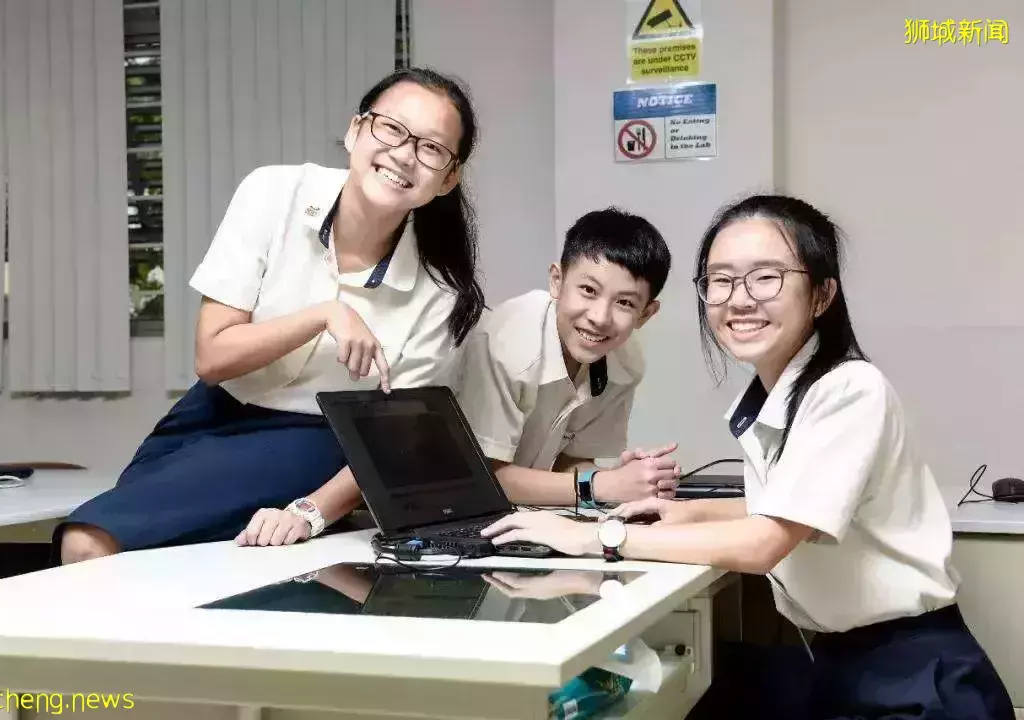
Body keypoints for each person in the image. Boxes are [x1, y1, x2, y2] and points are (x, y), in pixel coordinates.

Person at [480, 195, 1015, 719]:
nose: (739, 300)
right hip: (844, 662)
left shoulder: (849, 389)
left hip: (915, 680)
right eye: (722, 280)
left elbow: (765, 542)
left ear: (822, 294)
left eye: (766, 277)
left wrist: (598, 536)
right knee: (711, 683)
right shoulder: (781, 395)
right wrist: (687, 512)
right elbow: (786, 508)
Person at [56, 67, 485, 563]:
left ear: (448, 178)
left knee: (90, 541)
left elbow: (394, 439)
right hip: (210, 410)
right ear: (355, 131)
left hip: (316, 441)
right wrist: (324, 314)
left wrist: (311, 512)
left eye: (431, 148)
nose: (404, 154)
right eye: (391, 128)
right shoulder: (274, 192)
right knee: (127, 559)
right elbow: (212, 359)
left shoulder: (441, 293)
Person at [454, 207, 681, 508]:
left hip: (522, 514)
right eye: (588, 290)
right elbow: (483, 478)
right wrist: (603, 485)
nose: (600, 317)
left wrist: (627, 480)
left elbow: (569, 463)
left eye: (625, 303)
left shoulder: (625, 363)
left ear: (646, 314)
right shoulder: (505, 344)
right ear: (556, 281)